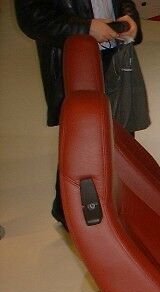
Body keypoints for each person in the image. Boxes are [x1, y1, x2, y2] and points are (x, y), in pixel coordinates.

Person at [15, 0, 143, 228]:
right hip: (74, 57)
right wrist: (85, 28)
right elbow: (33, 19)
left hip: (117, 50)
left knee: (122, 129)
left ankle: (121, 201)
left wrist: (129, 17)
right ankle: (72, 210)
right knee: (83, 136)